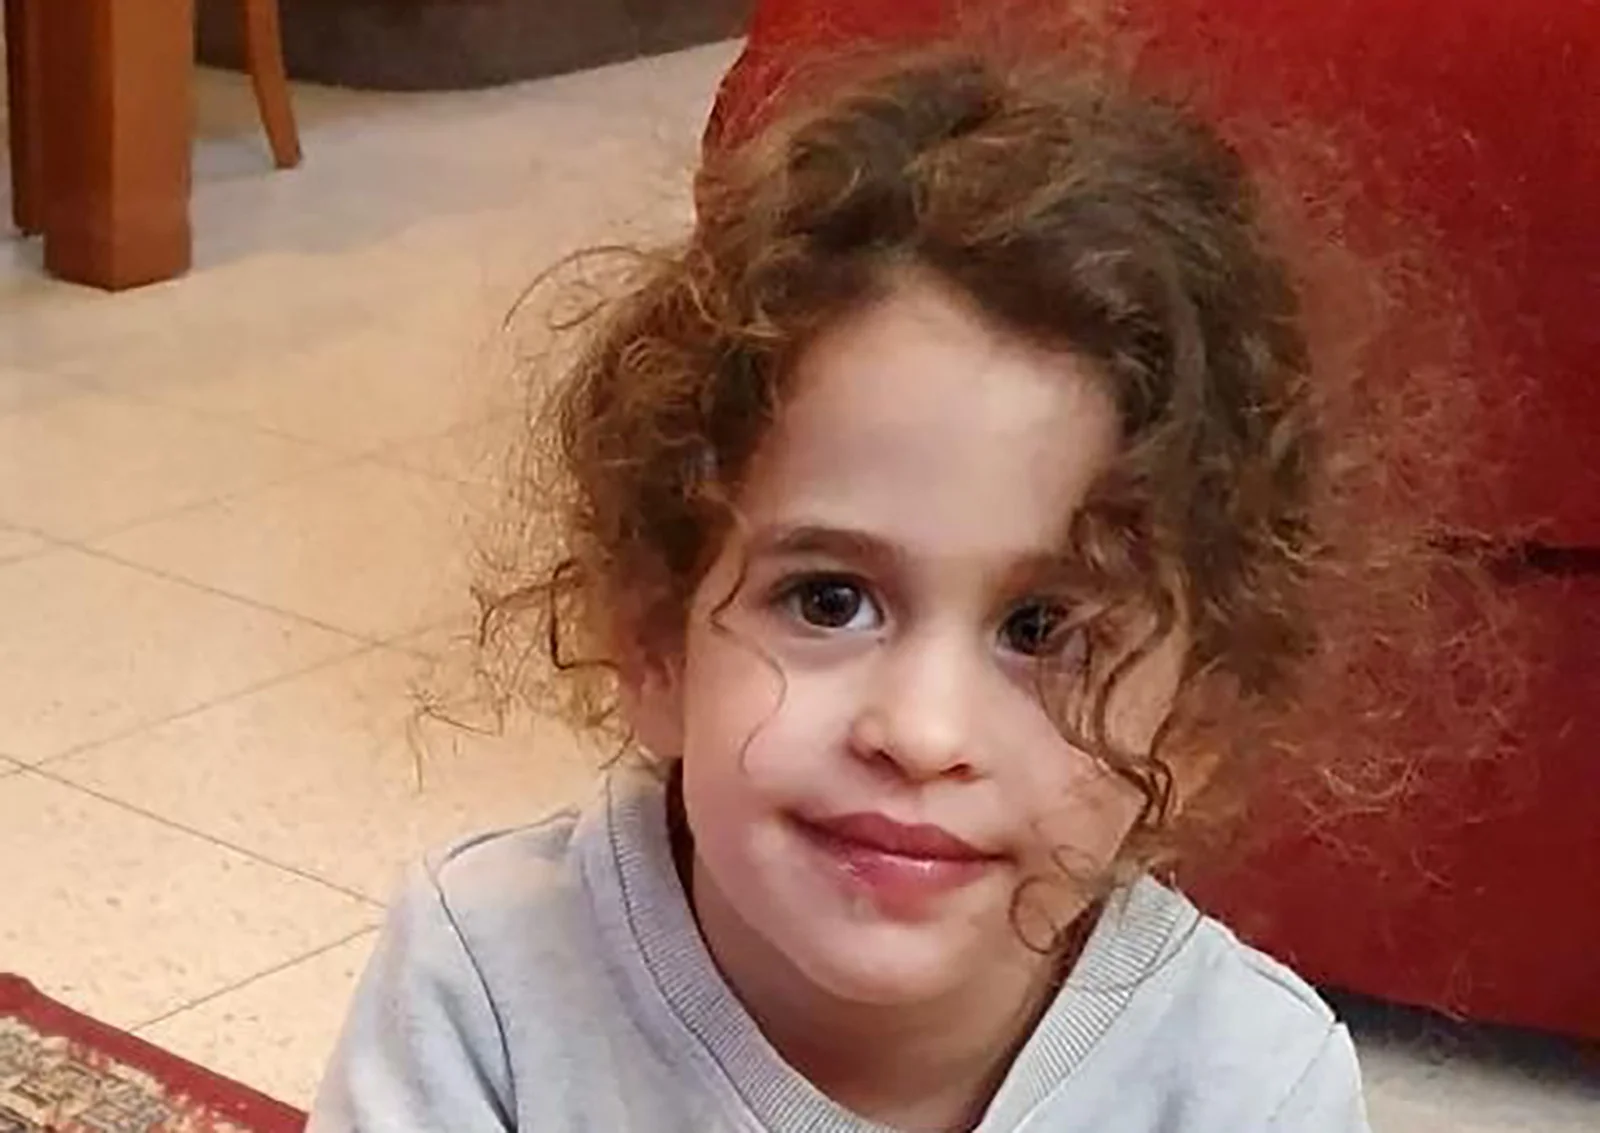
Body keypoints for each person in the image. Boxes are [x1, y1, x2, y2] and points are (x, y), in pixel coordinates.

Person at [308, 31, 1489, 1133]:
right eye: (829, 599)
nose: (922, 734)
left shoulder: (1246, 1084)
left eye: (1044, 628)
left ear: (1193, 725)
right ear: (655, 641)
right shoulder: (487, 989)